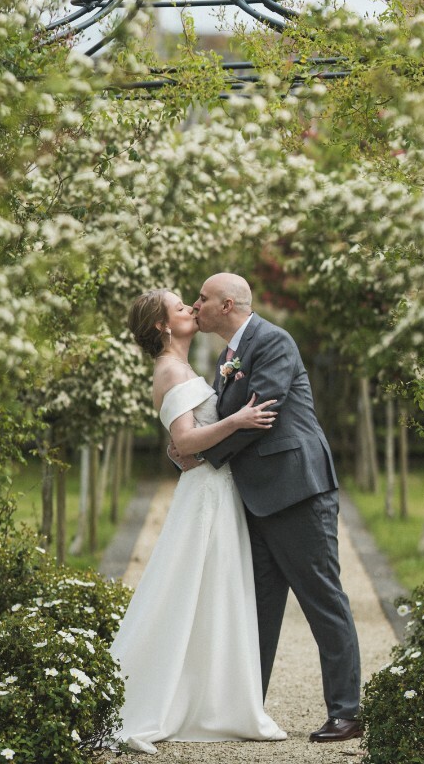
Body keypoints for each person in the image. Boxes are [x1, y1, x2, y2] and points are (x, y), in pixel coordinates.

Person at [171, 272, 362, 744]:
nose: (197, 306)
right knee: (258, 608)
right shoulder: (227, 356)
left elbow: (263, 414)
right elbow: (226, 415)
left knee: (322, 599)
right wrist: (188, 445)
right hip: (255, 497)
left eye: (204, 298)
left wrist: (201, 455)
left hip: (297, 491)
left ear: (229, 304)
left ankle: (347, 711)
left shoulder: (273, 341)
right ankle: (248, 709)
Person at [110, 288, 286, 754]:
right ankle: (153, 705)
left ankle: (215, 701)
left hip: (217, 490)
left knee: (215, 592)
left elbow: (184, 444)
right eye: (180, 307)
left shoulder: (187, 367)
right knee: (187, 590)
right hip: (205, 496)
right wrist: (239, 420)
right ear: (162, 326)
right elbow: (185, 442)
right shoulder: (169, 369)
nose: (190, 307)